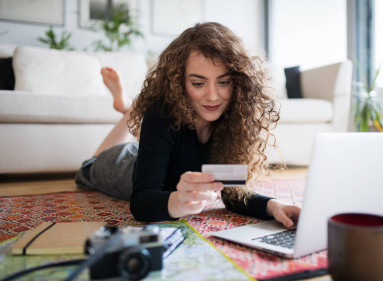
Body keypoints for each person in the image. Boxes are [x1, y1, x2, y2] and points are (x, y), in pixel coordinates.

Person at [75, 22, 300, 228]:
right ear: (179, 82)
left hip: (151, 153)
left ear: (238, 82)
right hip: (120, 166)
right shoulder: (161, 112)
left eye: (223, 82)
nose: (212, 96)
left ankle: (131, 110)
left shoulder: (235, 117)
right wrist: (177, 201)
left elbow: (232, 194)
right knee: (89, 165)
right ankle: (130, 110)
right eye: (198, 83)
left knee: (148, 146)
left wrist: (273, 205)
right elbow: (141, 202)